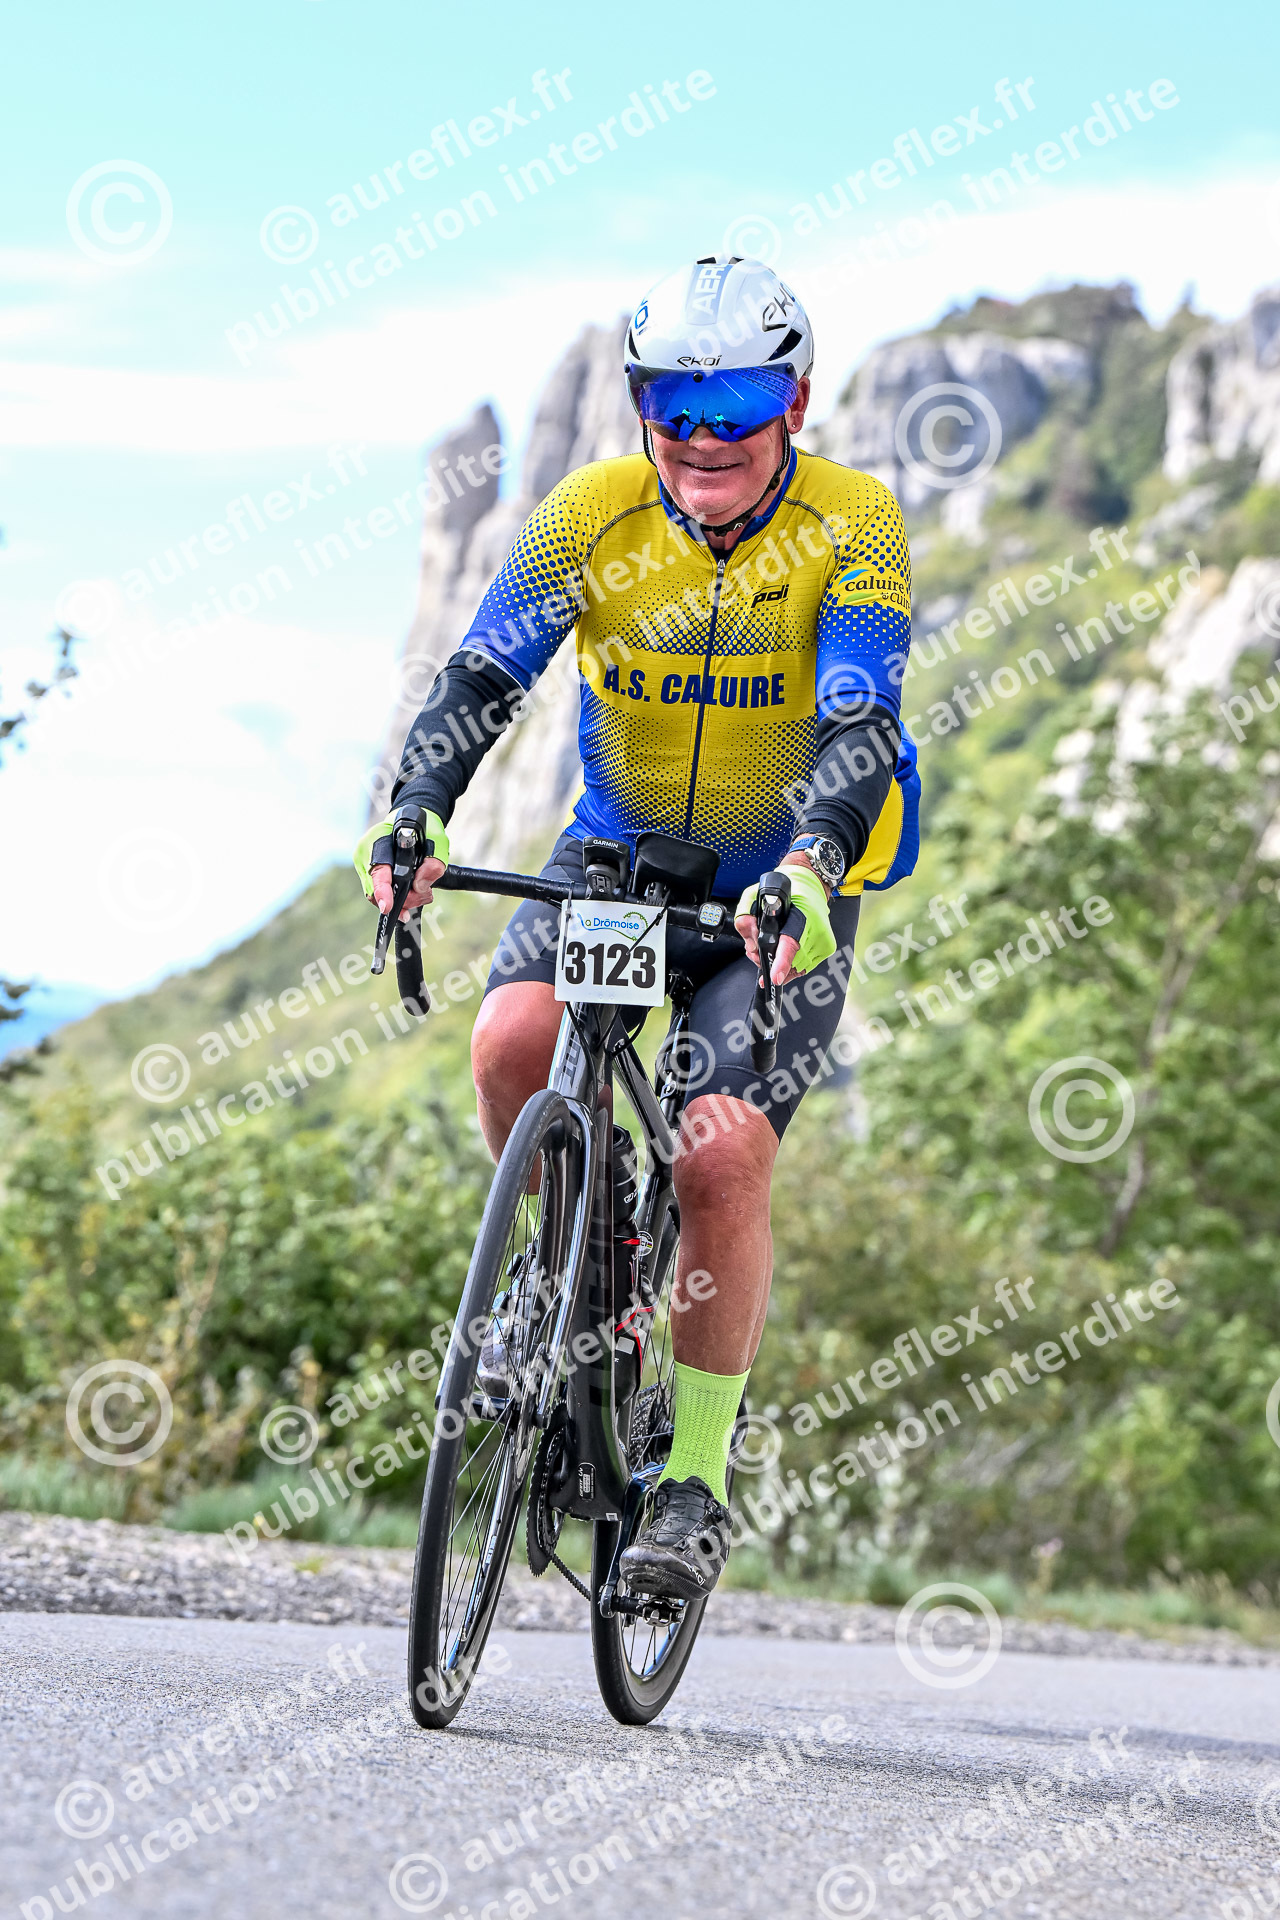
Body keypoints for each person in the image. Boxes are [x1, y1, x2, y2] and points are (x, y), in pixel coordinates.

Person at [355, 255, 918, 1601]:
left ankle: (693, 1483)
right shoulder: (590, 513)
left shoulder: (855, 522)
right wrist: (417, 810)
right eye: (674, 403)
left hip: (778, 885)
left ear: (796, 402)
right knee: (510, 1043)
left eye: (739, 405)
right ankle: (580, 1269)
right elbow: (482, 674)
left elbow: (861, 717)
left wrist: (814, 862)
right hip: (614, 858)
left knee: (720, 1153)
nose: (705, 437)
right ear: (638, 403)